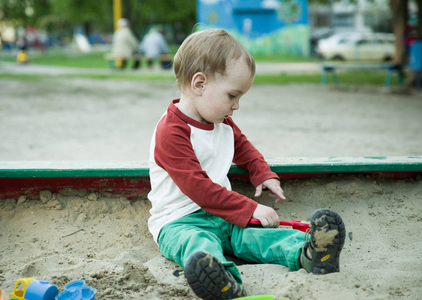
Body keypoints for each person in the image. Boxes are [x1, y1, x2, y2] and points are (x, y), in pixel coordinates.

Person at [147, 28, 346, 300]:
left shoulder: (221, 122)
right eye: (232, 96)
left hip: (221, 215)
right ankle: (224, 281)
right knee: (199, 245)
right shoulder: (171, 131)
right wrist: (251, 206)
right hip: (179, 221)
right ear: (199, 84)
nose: (236, 106)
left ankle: (311, 253)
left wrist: (262, 173)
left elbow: (242, 147)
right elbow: (198, 188)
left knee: (253, 236)